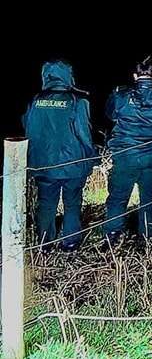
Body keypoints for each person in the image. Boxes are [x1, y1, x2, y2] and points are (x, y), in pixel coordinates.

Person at [102, 57, 152, 246]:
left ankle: (112, 237)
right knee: (149, 197)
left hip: (126, 155)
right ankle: (149, 238)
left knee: (118, 197)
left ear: (134, 75)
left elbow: (109, 115)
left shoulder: (120, 95)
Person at [23, 60, 96, 252]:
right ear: (68, 76)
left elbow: (28, 129)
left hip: (43, 165)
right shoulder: (77, 101)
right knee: (72, 203)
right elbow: (84, 134)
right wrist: (91, 157)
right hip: (73, 165)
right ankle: (70, 245)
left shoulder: (35, 101)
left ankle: (45, 245)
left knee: (46, 204)